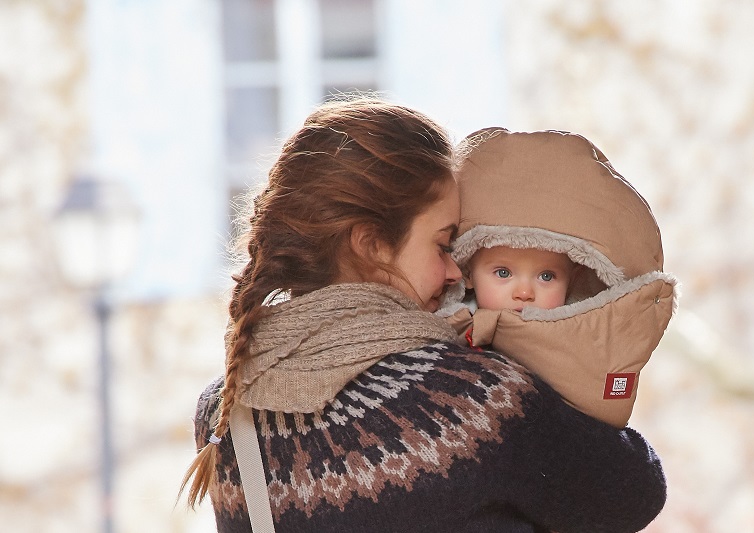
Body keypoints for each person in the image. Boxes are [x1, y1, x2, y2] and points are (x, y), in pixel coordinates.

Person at [180, 98, 667, 532]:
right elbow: (634, 492)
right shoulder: (470, 402)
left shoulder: (224, 413)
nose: (456, 272)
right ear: (371, 243)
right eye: (442, 244)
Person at [438, 127, 680, 428]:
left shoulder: (586, 339)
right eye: (503, 273)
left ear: (573, 279)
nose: (524, 292)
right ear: (468, 274)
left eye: (546, 276)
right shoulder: (446, 328)